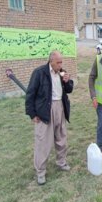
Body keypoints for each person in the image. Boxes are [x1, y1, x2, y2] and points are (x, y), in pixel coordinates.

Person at [25, 50, 73, 185]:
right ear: (51, 61)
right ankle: (40, 172)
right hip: (45, 110)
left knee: (61, 137)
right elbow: (30, 94)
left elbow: (69, 90)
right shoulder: (40, 73)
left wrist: (67, 81)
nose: (60, 64)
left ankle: (61, 162)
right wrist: (32, 113)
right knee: (43, 142)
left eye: (61, 62)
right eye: (58, 62)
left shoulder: (61, 72)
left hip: (60, 108)